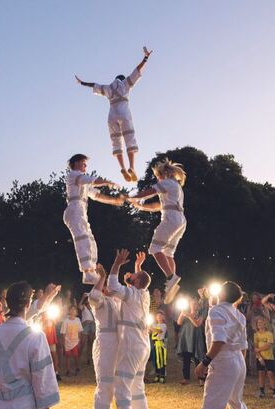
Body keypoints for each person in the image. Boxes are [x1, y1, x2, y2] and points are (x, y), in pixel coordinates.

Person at [191, 281, 271, 409]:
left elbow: (219, 339)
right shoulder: (238, 314)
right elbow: (243, 345)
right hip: (237, 361)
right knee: (238, 406)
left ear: (222, 294)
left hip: (224, 362)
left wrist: (205, 362)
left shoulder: (216, 312)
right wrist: (237, 367)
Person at [75, 46, 152, 182]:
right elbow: (137, 70)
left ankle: (122, 167)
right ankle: (132, 167)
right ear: (122, 79)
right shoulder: (125, 84)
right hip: (124, 112)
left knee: (116, 142)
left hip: (111, 115)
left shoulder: (108, 88)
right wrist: (145, 58)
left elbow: (93, 84)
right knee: (129, 138)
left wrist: (81, 83)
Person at [107, 249, 152, 409]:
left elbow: (112, 285)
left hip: (132, 345)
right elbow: (141, 282)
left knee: (122, 388)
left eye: (132, 277)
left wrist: (117, 264)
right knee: (137, 387)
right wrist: (137, 269)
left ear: (133, 282)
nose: (129, 277)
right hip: (142, 345)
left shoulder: (132, 294)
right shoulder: (144, 294)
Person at [127, 159, 188, 304]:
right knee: (168, 253)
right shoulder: (176, 187)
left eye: (157, 176)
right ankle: (172, 281)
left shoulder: (166, 182)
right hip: (181, 220)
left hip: (171, 219)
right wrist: (141, 207)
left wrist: (131, 198)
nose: (157, 179)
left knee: (155, 249)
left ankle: (171, 277)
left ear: (163, 174)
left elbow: (150, 192)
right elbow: (157, 205)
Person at [62, 154, 124, 285]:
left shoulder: (83, 182)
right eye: (84, 164)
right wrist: (107, 182)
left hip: (80, 212)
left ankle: (91, 271)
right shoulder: (73, 175)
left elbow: (97, 195)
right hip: (74, 210)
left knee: (90, 241)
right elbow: (93, 180)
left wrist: (115, 201)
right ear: (77, 163)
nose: (86, 166)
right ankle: (87, 271)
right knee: (82, 239)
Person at [87, 264, 122, 409]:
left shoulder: (115, 300)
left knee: (113, 388)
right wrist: (102, 276)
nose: (107, 286)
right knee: (103, 387)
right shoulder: (99, 302)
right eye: (104, 283)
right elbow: (93, 296)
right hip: (105, 345)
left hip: (118, 347)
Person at [177, 296, 204, 385]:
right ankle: (186, 378)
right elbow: (179, 322)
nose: (194, 305)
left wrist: (189, 316)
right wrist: (182, 313)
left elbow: (197, 324)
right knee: (186, 359)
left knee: (198, 358)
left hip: (196, 338)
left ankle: (201, 378)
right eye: (192, 303)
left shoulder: (200, 314)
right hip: (186, 338)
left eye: (196, 303)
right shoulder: (186, 313)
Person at [253, 317, 275, 399]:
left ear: (265, 324)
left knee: (270, 374)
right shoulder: (256, 334)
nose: (260, 324)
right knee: (261, 374)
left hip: (269, 357)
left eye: (261, 323)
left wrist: (259, 349)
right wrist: (260, 357)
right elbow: (255, 346)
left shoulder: (269, 334)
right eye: (258, 323)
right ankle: (261, 391)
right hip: (260, 357)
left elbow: (269, 345)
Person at [61, 305, 83, 376]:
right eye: (71, 309)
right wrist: (64, 343)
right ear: (69, 311)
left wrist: (79, 341)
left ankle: (77, 367)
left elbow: (80, 331)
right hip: (67, 342)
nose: (73, 311)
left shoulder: (78, 320)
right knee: (67, 357)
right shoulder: (65, 321)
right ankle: (68, 370)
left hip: (75, 342)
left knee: (76, 356)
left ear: (76, 312)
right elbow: (63, 333)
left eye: (74, 310)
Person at [150, 311, 167, 383]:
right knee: (156, 360)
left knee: (161, 360)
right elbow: (150, 332)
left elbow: (159, 331)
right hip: (155, 345)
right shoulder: (154, 325)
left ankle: (162, 375)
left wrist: (150, 328)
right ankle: (157, 375)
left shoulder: (164, 325)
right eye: (157, 316)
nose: (159, 317)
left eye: (160, 316)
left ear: (163, 317)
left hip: (161, 345)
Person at [79, 294, 95, 366]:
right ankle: (78, 357)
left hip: (92, 325)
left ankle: (88, 358)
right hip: (85, 325)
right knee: (82, 342)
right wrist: (83, 297)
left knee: (90, 343)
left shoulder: (93, 308)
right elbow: (79, 305)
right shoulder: (84, 307)